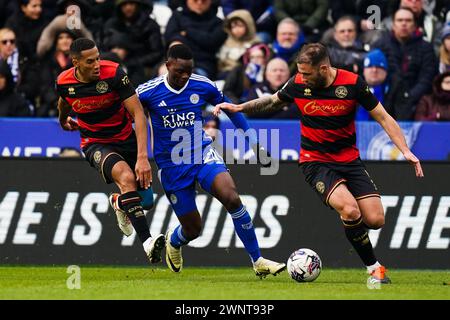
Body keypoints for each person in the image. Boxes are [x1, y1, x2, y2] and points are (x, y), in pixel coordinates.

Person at [214, 43, 424, 284]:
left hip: (349, 159)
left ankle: (353, 229)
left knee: (375, 220)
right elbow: (272, 101)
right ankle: (374, 269)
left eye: (306, 73)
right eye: (300, 72)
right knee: (350, 209)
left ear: (324, 68)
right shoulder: (298, 84)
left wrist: (405, 150)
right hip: (315, 161)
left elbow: (384, 117)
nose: (301, 77)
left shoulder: (352, 84)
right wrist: (239, 107)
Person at [136, 44, 286, 277]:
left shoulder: (203, 84)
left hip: (201, 152)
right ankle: (174, 242)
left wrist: (254, 143)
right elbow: (127, 115)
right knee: (193, 229)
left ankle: (258, 261)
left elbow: (232, 110)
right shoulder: (147, 91)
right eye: (179, 72)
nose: (185, 76)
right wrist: (138, 156)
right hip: (171, 166)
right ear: (168, 66)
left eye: (189, 70)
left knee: (232, 197)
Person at [55, 38, 165, 265]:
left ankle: (119, 202)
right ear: (75, 62)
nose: (96, 64)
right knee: (125, 177)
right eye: (90, 61)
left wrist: (143, 157)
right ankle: (148, 242)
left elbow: (138, 115)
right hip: (95, 143)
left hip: (126, 139)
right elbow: (64, 101)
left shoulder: (114, 74)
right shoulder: (64, 82)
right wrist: (63, 119)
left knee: (145, 202)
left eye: (97, 58)